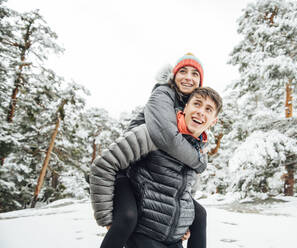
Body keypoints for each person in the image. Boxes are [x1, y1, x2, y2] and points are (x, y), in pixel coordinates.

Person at [90, 54, 210, 248]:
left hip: (154, 171)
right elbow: (167, 137)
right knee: (127, 217)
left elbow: (183, 177)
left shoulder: (188, 108)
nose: (188, 77)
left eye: (195, 74)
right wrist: (198, 161)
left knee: (200, 214)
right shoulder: (163, 93)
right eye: (183, 71)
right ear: (173, 75)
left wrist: (182, 217)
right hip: (130, 168)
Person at [126, 87, 223, 248]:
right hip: (144, 234)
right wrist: (111, 216)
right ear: (185, 108)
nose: (200, 112)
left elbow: (187, 192)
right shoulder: (157, 133)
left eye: (208, 109)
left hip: (173, 239)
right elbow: (112, 167)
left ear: (214, 121)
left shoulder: (198, 150)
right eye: (197, 104)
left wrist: (184, 221)